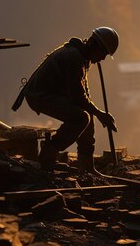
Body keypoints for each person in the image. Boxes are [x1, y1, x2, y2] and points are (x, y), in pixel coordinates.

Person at [12, 27, 119, 173]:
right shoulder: (73, 57)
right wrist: (101, 114)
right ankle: (47, 155)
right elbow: (77, 96)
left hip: (52, 92)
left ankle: (86, 166)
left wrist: (96, 113)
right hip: (39, 95)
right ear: (94, 45)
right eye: (103, 53)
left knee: (88, 116)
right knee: (81, 118)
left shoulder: (82, 57)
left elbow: (83, 95)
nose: (103, 59)